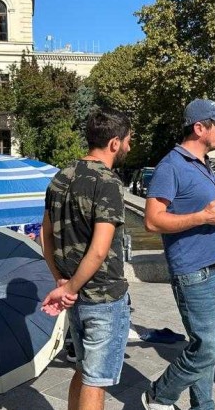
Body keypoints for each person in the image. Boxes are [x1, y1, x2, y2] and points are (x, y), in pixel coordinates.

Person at [142, 98, 215, 410]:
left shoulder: (205, 165)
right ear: (200, 128)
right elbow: (152, 220)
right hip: (194, 272)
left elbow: (207, 210)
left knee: (208, 349)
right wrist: (202, 217)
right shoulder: (170, 166)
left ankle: (203, 406)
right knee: (207, 349)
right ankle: (159, 396)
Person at [40, 110, 133, 410]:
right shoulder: (108, 182)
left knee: (82, 369)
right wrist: (70, 289)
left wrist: (61, 280)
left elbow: (46, 235)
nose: (130, 147)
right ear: (115, 143)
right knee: (96, 379)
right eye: (129, 141)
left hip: (75, 295)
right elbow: (99, 249)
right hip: (101, 296)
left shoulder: (60, 177)